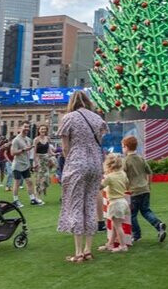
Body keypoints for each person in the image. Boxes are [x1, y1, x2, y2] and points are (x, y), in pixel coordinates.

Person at [57, 90, 107, 263]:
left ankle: (78, 252)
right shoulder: (97, 119)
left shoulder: (69, 118)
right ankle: (88, 250)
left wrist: (68, 162)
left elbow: (65, 147)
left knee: (76, 205)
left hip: (77, 164)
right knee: (90, 205)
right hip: (95, 164)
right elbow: (99, 142)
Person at [123, 135, 167, 242]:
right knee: (146, 211)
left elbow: (123, 176)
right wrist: (148, 185)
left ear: (126, 147)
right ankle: (159, 225)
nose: (123, 149)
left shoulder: (126, 161)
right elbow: (149, 172)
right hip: (145, 190)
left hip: (133, 192)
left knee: (132, 215)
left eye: (123, 147)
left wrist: (125, 188)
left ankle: (136, 235)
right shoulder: (141, 158)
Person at [99, 154, 130, 252]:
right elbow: (127, 183)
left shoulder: (109, 177)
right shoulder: (123, 174)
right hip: (123, 202)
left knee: (117, 226)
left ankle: (123, 246)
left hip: (115, 203)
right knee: (115, 224)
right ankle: (110, 244)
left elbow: (100, 187)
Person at [11, 122, 42, 207]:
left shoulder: (28, 139)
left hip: (26, 164)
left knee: (29, 182)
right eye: (25, 127)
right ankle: (15, 200)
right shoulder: (16, 140)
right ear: (20, 127)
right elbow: (12, 153)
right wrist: (23, 150)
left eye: (28, 127)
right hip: (17, 165)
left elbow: (29, 152)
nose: (27, 129)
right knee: (17, 183)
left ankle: (32, 199)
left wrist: (32, 163)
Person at [32, 124, 54, 202]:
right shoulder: (36, 139)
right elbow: (34, 152)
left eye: (45, 129)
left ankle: (42, 192)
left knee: (46, 177)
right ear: (39, 130)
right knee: (39, 179)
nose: (43, 130)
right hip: (39, 160)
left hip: (46, 160)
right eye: (42, 129)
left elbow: (49, 151)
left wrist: (54, 154)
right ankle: (37, 197)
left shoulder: (48, 138)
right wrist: (35, 163)